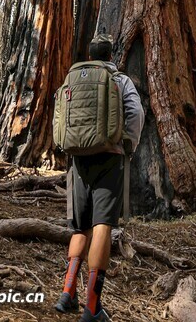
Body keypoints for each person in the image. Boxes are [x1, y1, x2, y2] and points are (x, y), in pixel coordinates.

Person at [56, 33, 145, 320]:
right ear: (111, 56)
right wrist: (127, 145)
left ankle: (67, 292)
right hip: (109, 157)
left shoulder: (74, 77)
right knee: (104, 225)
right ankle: (92, 306)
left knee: (80, 227)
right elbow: (135, 113)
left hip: (77, 159)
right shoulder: (119, 79)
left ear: (91, 55)